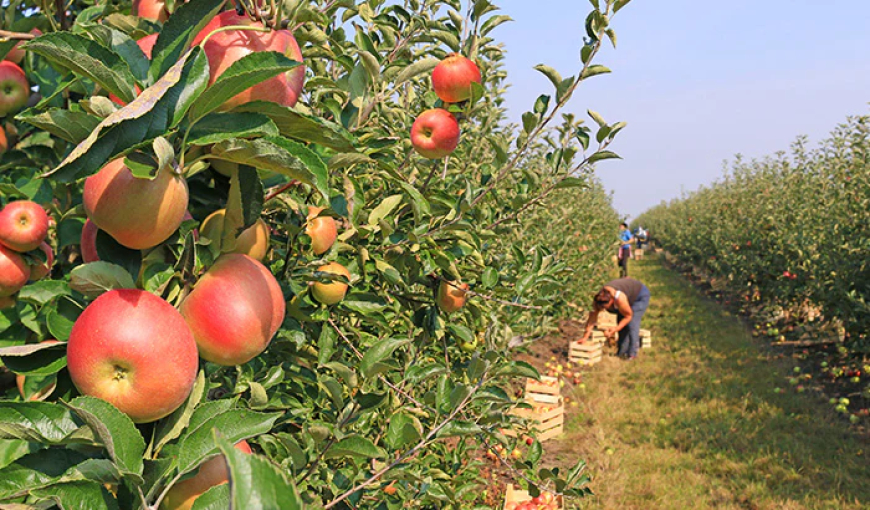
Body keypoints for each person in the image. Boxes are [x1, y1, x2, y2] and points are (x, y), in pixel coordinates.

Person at [579, 277, 651, 360]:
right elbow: (591, 320)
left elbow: (628, 316)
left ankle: (632, 353)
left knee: (632, 324)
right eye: (602, 307)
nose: (604, 309)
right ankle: (622, 352)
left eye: (607, 307)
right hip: (626, 298)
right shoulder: (598, 299)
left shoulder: (620, 298)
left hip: (639, 295)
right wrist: (585, 337)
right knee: (621, 322)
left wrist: (615, 329)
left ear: (612, 300)